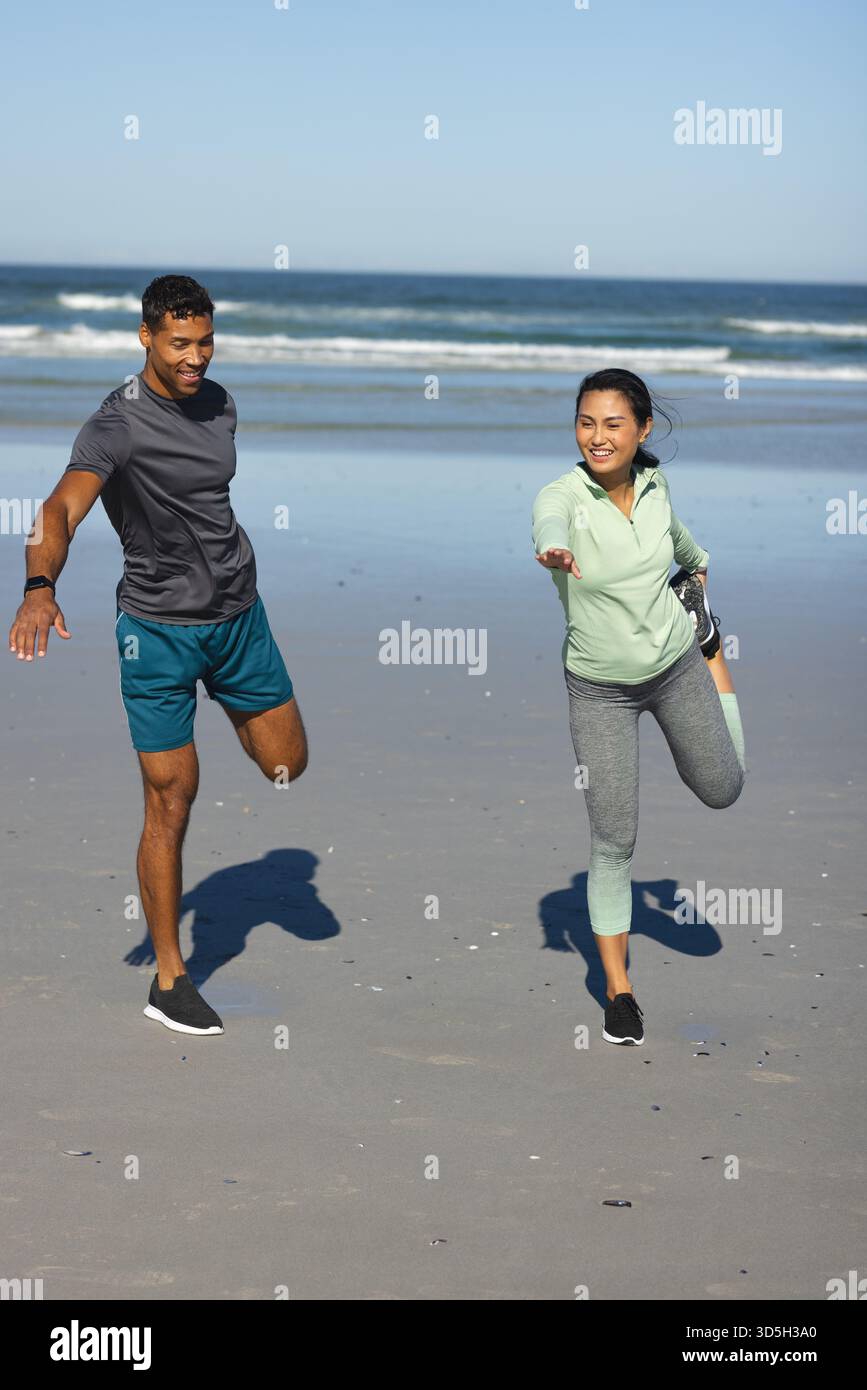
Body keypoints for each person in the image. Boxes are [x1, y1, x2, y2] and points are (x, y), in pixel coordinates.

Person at [8, 275, 307, 1036]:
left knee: (285, 765)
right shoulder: (115, 426)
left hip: (238, 617)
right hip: (158, 634)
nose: (195, 358)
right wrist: (39, 586)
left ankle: (229, 700)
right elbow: (58, 509)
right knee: (172, 798)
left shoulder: (219, 402)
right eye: (179, 344)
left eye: (205, 342)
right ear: (145, 337)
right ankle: (171, 977)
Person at [532, 368, 745, 1046]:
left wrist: (697, 572)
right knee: (613, 838)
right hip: (597, 690)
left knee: (722, 790)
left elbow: (686, 548)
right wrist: (551, 549)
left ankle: (713, 647)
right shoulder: (560, 496)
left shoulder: (655, 488)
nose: (597, 436)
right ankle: (619, 992)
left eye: (612, 423)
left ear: (641, 429)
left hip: (677, 669)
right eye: (586, 422)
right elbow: (549, 521)